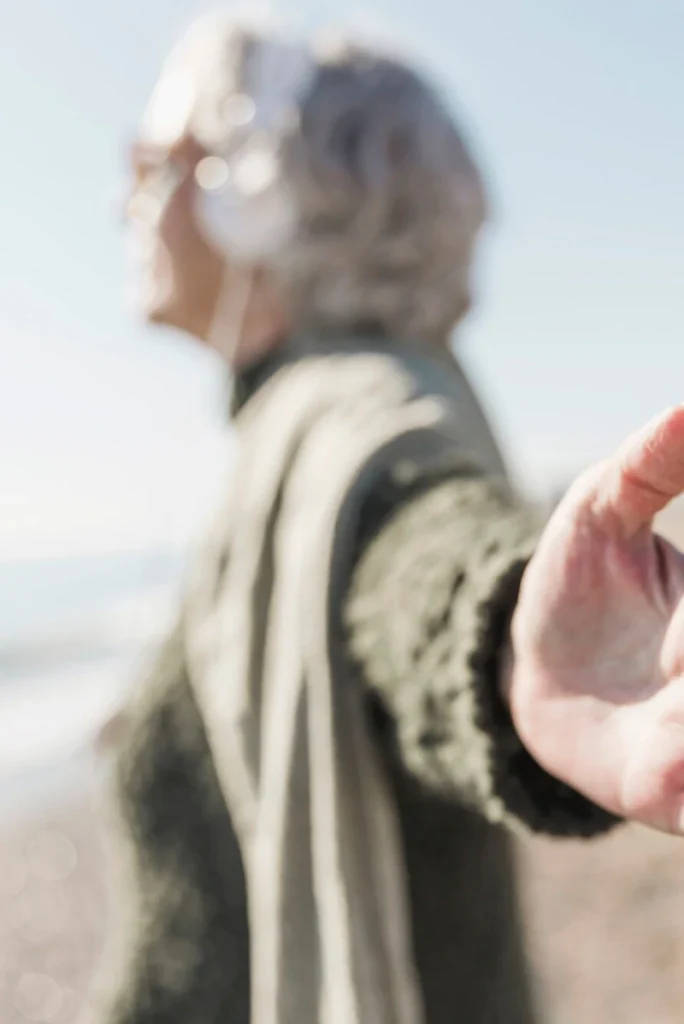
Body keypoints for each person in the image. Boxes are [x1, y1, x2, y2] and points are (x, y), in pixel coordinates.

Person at [97, 16, 684, 1024]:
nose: (128, 195)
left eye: (161, 163)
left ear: (262, 200)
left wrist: (505, 634)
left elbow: (417, 552)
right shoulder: (307, 423)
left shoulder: (362, 421)